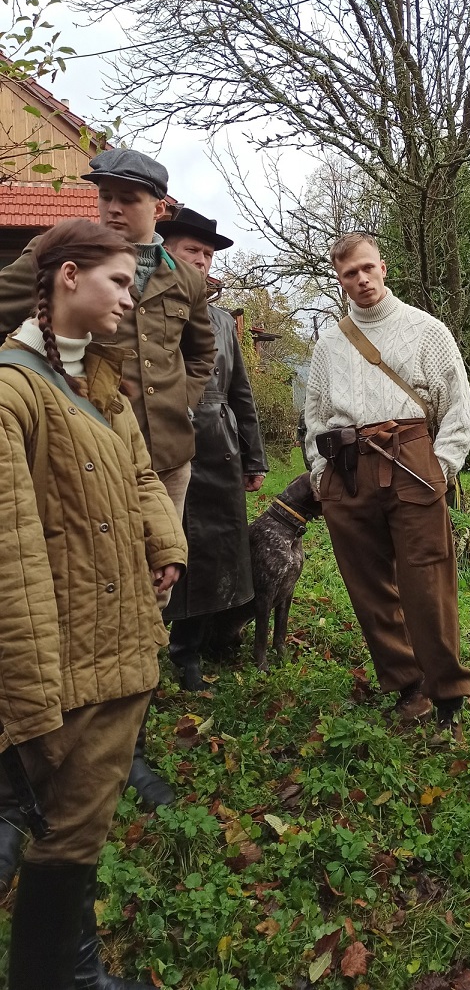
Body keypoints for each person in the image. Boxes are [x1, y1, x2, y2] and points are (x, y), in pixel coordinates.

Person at [0, 151, 214, 860]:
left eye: (128, 198)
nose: (112, 208)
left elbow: (202, 349)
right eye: (105, 197)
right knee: (61, 595)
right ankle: (56, 753)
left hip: (157, 459)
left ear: (162, 205)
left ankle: (126, 746)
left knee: (145, 592)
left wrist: (180, 400)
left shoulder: (184, 275)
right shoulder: (61, 253)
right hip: (65, 442)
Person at [0, 219, 186, 990]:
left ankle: (65, 976)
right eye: (118, 280)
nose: (130, 296)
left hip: (116, 651)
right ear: (68, 276)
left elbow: (142, 477)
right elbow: (11, 563)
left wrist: (166, 543)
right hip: (64, 664)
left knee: (79, 830)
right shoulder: (14, 389)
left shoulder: (99, 380)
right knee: (43, 826)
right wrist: (33, 706)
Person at [303, 233, 470, 728]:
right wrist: (320, 472)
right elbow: (315, 416)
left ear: (383, 266)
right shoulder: (330, 345)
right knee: (368, 586)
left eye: (366, 269)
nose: (360, 280)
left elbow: (458, 409)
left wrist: (441, 467)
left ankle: (447, 694)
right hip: (347, 469)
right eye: (348, 275)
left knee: (427, 581)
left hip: (411, 460)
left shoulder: (427, 330)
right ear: (339, 282)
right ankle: (406, 685)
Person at [158, 207, 268, 690]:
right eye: (191, 251)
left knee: (222, 549)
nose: (201, 260)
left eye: (207, 253)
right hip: (166, 442)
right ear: (167, 251)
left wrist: (254, 457)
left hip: (220, 445)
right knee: (173, 545)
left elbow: (241, 391)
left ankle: (212, 636)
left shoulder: (223, 320)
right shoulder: (145, 309)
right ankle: (179, 653)